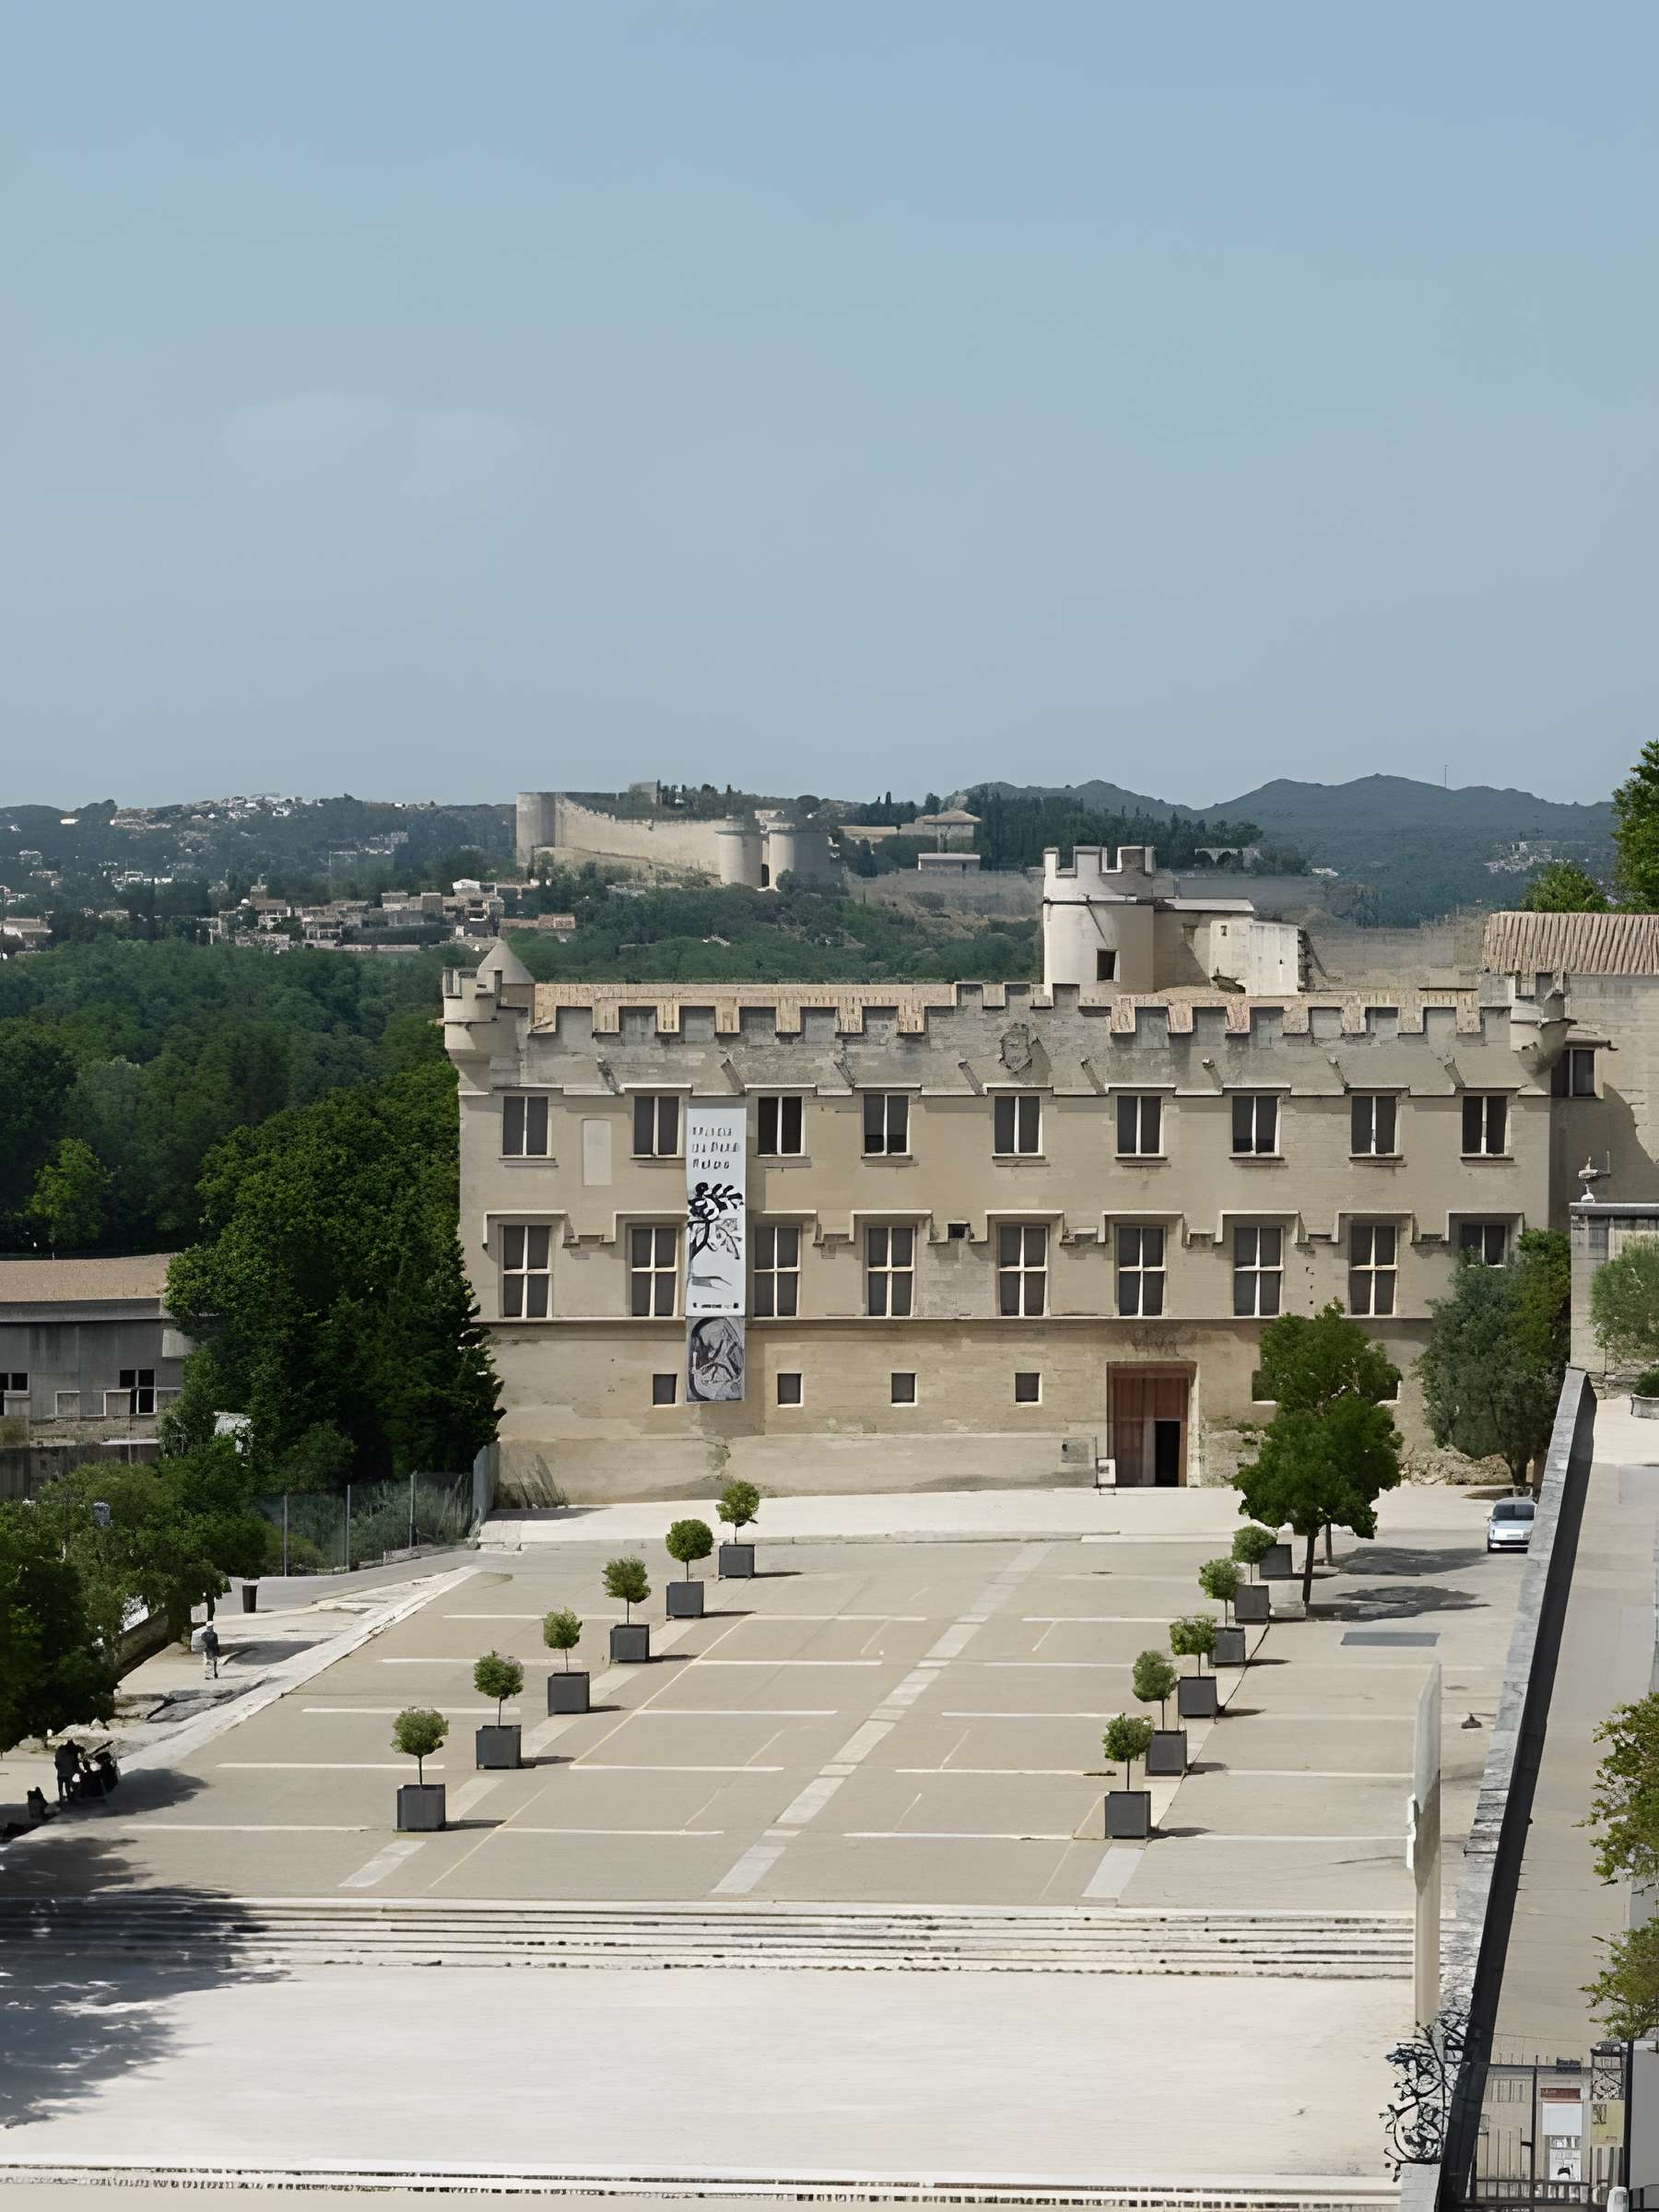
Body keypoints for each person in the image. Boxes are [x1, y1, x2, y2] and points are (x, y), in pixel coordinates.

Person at [53, 1739, 82, 1805]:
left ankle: (65, 1798)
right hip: (65, 1773)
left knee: (64, 1787)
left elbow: (57, 1762)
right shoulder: (68, 1754)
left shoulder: (63, 1752)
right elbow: (73, 1762)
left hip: (64, 1773)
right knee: (66, 1787)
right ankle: (67, 1798)